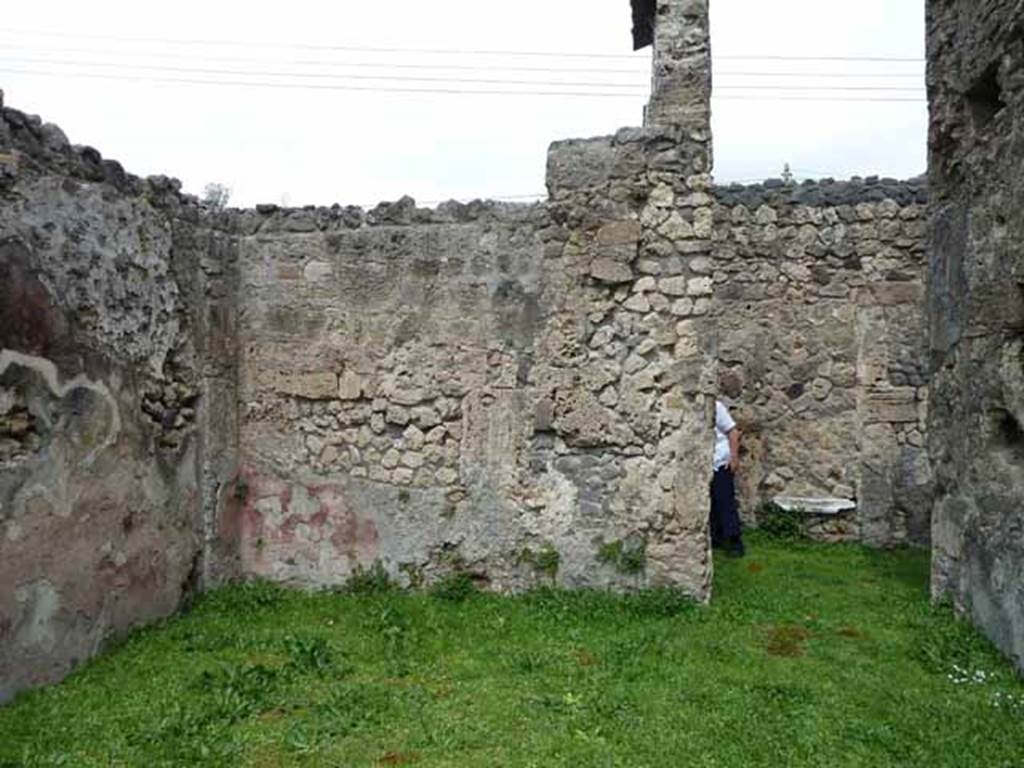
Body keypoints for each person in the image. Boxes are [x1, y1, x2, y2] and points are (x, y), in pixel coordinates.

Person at [710, 399, 744, 557]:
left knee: (725, 502)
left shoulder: (716, 407)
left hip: (720, 461)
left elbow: (732, 431)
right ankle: (715, 538)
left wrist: (734, 456)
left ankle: (734, 541)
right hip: (704, 464)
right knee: (711, 505)